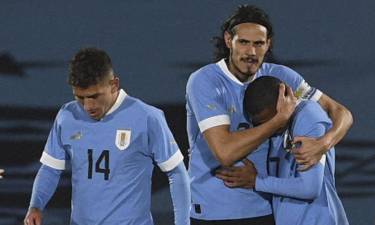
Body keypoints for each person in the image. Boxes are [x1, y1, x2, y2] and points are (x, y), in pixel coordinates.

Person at [185, 4, 352, 225]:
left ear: (268, 44)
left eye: (258, 43)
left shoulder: (282, 78)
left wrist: (324, 143)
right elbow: (225, 153)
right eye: (243, 42)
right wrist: (278, 121)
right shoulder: (205, 81)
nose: (251, 52)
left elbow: (341, 112)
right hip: (215, 211)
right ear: (228, 40)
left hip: (264, 207)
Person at [24, 47, 190, 225]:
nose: (88, 106)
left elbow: (177, 173)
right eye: (80, 97)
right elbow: (50, 169)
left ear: (114, 84)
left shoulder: (148, 117)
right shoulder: (67, 116)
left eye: (94, 96)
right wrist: (35, 206)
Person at [216, 76, 349, 225]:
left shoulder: (309, 116)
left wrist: (257, 181)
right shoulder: (277, 128)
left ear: (285, 100)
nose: (270, 127)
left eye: (274, 119)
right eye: (262, 124)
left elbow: (310, 187)